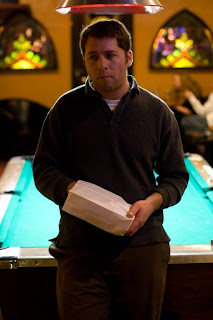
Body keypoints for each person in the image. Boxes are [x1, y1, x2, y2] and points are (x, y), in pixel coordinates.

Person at [33, 19, 189, 320]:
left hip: (143, 245)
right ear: (85, 60)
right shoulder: (64, 109)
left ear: (128, 57)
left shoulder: (158, 112)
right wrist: (70, 190)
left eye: (110, 55)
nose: (102, 64)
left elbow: (176, 177)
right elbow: (43, 169)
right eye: (93, 56)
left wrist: (151, 203)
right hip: (80, 248)